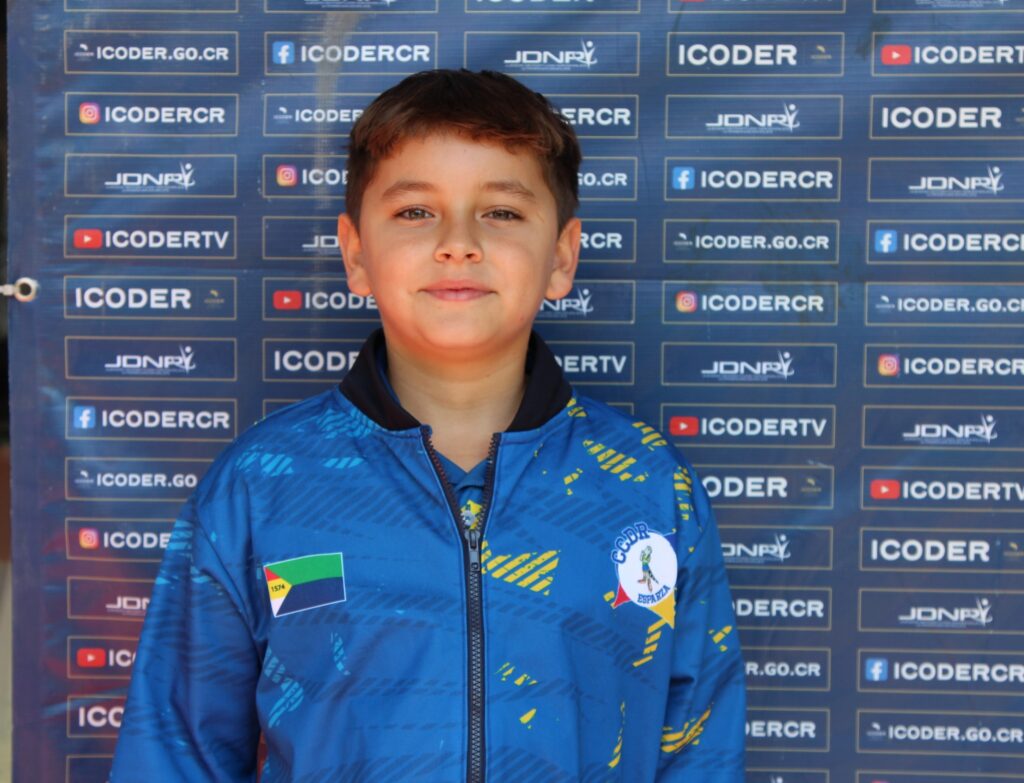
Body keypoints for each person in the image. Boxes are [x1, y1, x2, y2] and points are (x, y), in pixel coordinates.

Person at [110, 69, 745, 782]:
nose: (458, 243)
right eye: (415, 211)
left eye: (501, 212)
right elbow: (174, 751)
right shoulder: (261, 486)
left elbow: (700, 749)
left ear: (562, 256)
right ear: (356, 254)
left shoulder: (649, 486)